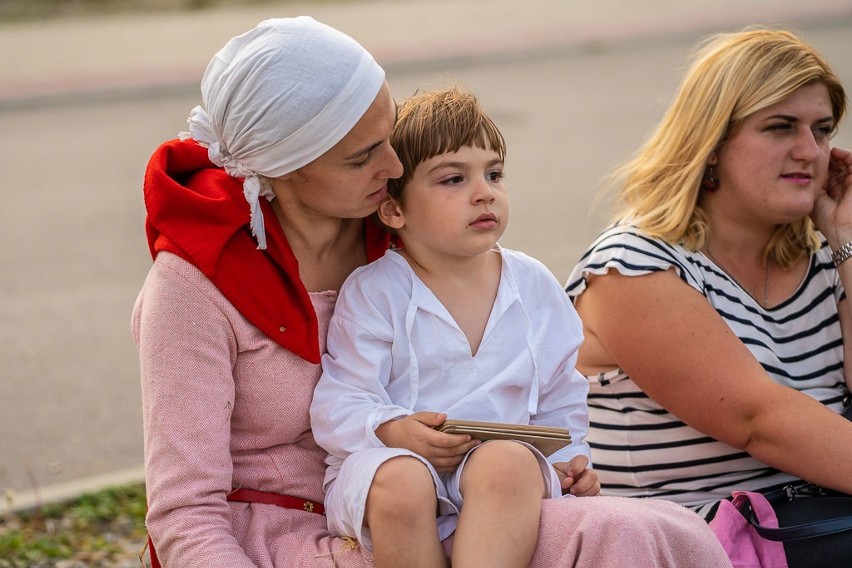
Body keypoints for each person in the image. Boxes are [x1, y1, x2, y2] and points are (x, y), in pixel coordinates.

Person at [132, 15, 734, 568]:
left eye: (389, 137)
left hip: (461, 513)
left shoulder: (407, 233)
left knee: (650, 536)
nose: (395, 165)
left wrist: (559, 460)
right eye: (363, 156)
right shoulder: (191, 289)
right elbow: (187, 514)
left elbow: (539, 379)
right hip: (285, 539)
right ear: (288, 166)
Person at [566, 26, 852, 515]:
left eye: (821, 130)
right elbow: (759, 421)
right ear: (712, 142)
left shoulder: (828, 261)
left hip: (821, 527)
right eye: (781, 127)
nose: (810, 150)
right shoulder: (633, 265)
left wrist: (845, 240)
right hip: (703, 542)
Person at [309, 87, 599, 568]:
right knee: (403, 484)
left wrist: (573, 460)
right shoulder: (375, 289)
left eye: (494, 173)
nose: (484, 192)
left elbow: (560, 395)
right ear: (394, 210)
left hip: (502, 471)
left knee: (507, 460)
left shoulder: (533, 283)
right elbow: (338, 403)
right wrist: (393, 429)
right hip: (388, 462)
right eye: (453, 179)